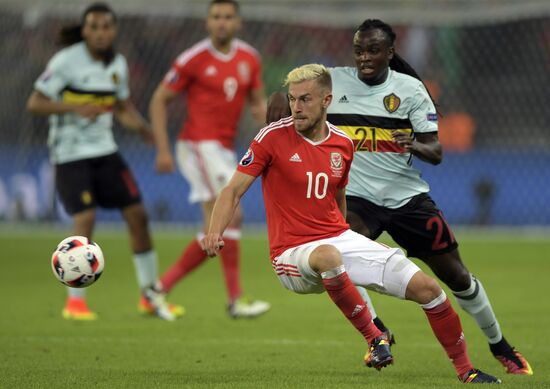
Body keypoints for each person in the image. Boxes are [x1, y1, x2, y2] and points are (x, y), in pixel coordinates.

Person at [203, 63, 501, 383]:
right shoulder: (272, 137)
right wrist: (214, 232)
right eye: (292, 99)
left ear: (327, 101)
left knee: (429, 289)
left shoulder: (343, 144)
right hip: (291, 253)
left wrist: (347, 235)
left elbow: (339, 195)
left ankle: (466, 371)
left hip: (336, 238)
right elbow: (232, 189)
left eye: (305, 99)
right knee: (329, 255)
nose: (297, 107)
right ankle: (376, 339)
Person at [266, 19, 531, 376]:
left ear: (390, 53)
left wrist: (415, 144)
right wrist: (276, 100)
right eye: (359, 50)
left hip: (407, 199)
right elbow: (296, 88)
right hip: (359, 200)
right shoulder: (334, 81)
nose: (364, 57)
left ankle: (500, 344)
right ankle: (378, 334)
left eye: (373, 50)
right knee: (341, 259)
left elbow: (436, 151)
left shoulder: (410, 90)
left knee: (457, 277)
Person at [26, 2, 182, 321]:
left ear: (114, 30)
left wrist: (142, 128)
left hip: (105, 151)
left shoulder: (118, 64)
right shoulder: (66, 61)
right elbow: (35, 103)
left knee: (138, 215)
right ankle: (75, 303)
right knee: (85, 219)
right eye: (93, 26)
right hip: (70, 154)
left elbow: (121, 106)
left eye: (106, 26)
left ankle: (149, 296)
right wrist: (74, 108)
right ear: (84, 31)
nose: (100, 32)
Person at [149, 0, 270, 318]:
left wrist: (271, 133)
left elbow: (258, 105)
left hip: (223, 148)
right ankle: (235, 299)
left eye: (228, 17)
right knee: (233, 214)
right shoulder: (193, 59)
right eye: (216, 17)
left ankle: (157, 290)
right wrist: (162, 148)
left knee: (213, 230)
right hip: (198, 145)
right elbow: (159, 100)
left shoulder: (249, 58)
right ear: (207, 22)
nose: (221, 22)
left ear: (238, 23)